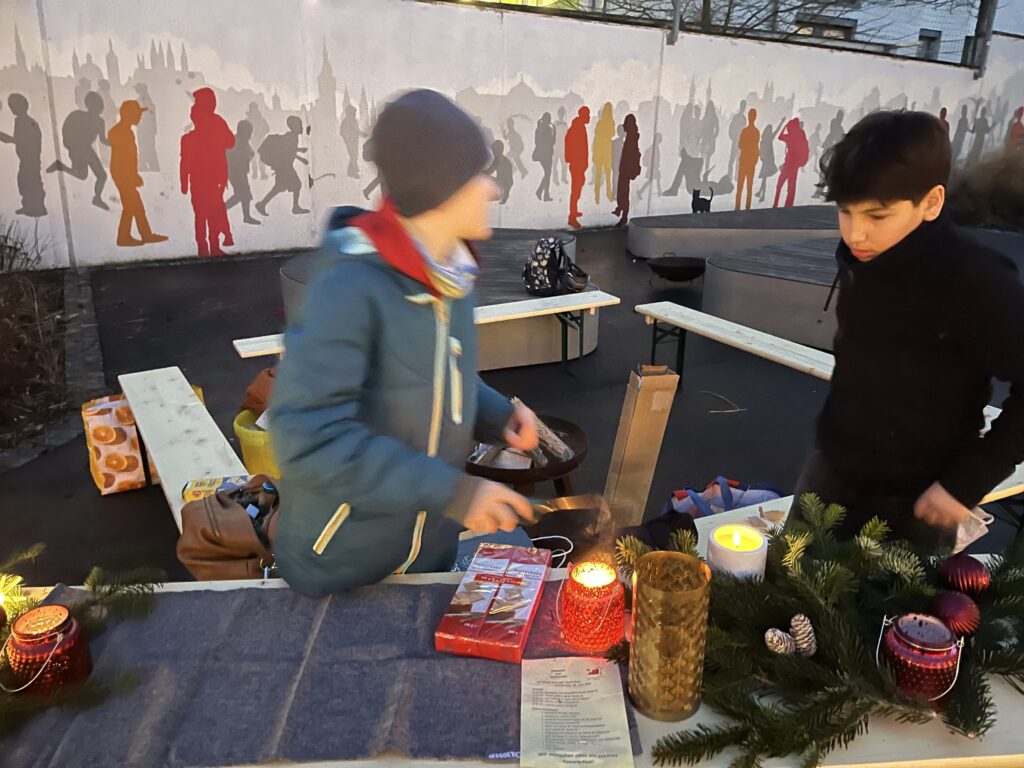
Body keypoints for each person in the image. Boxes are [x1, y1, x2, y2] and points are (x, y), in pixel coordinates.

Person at [270, 89, 540, 596]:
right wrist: (454, 493)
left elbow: (441, 375)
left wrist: (499, 416)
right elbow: (308, 437)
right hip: (342, 565)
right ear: (440, 192)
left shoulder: (452, 274)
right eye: (476, 175)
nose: (493, 189)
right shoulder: (349, 285)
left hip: (427, 555)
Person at [792, 110, 1024, 549]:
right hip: (830, 465)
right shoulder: (864, 257)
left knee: (885, 598)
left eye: (877, 216)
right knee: (782, 583)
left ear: (932, 202)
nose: (856, 234)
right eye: (845, 212)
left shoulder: (977, 281)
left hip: (920, 494)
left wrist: (965, 483)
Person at [109, 100, 167, 247]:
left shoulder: (123, 131)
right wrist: (131, 176)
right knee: (136, 206)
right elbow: (124, 159)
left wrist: (133, 175)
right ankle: (141, 236)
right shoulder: (122, 132)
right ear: (129, 115)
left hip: (122, 175)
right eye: (137, 114)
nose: (139, 117)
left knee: (130, 207)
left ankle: (126, 237)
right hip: (123, 176)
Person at [47, 91, 109, 210]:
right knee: (82, 175)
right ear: (90, 105)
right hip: (77, 149)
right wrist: (70, 146)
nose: (99, 107)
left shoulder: (100, 122)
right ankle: (60, 166)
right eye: (96, 104)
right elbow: (66, 130)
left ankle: (97, 198)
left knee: (101, 176)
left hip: (87, 149)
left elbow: (103, 139)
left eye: (100, 104)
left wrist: (116, 144)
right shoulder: (77, 116)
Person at [0, 93, 47, 217]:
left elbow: (22, 140)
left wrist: (6, 138)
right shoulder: (23, 121)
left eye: (13, 106)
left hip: (30, 158)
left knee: (28, 180)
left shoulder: (26, 122)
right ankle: (30, 206)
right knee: (25, 181)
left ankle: (36, 207)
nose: (12, 109)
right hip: (27, 158)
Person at [256, 116, 310, 216]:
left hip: (284, 167)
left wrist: (300, 150)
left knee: (279, 187)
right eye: (300, 125)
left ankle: (262, 204)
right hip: (285, 168)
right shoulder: (292, 137)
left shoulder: (291, 136)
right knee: (295, 185)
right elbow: (289, 151)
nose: (302, 127)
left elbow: (290, 150)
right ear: (294, 127)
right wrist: (302, 158)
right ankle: (295, 207)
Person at [612, 114, 640, 227]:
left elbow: (631, 154)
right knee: (622, 191)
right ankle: (620, 210)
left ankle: (624, 215)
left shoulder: (631, 137)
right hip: (625, 168)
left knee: (623, 191)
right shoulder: (632, 136)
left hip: (626, 169)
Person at [773, 118, 808, 208]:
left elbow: (780, 137)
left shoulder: (791, 136)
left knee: (780, 184)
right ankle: (788, 206)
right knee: (791, 187)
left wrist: (784, 126)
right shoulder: (801, 134)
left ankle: (775, 204)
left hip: (789, 164)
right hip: (795, 164)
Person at [565, 106, 590, 229]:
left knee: (578, 188)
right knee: (575, 190)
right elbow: (571, 144)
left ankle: (574, 211)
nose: (589, 117)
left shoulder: (579, 127)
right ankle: (572, 218)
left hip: (579, 164)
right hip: (577, 164)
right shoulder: (577, 128)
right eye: (587, 115)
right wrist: (573, 160)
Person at [735, 108, 759, 211]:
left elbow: (740, 145)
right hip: (751, 163)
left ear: (749, 117)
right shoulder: (756, 132)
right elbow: (756, 147)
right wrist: (755, 160)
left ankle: (737, 208)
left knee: (739, 188)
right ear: (755, 118)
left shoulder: (744, 131)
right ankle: (747, 209)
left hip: (744, 161)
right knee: (749, 188)